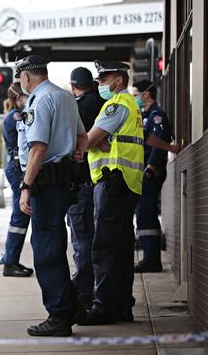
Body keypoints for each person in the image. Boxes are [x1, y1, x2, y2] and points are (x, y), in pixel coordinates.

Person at [15, 55, 88, 337]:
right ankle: (71, 306)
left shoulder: (41, 100)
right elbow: (82, 136)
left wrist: (25, 187)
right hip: (63, 182)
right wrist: (77, 156)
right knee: (55, 244)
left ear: (25, 76)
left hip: (45, 185)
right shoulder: (65, 96)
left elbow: (37, 149)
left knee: (46, 251)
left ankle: (58, 315)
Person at [81, 61, 144, 325]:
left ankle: (104, 306)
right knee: (120, 248)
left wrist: (82, 137)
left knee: (105, 248)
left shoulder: (115, 105)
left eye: (104, 79)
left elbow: (86, 142)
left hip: (112, 183)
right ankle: (121, 305)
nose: (100, 84)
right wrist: (99, 139)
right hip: (127, 184)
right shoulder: (133, 106)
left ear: (118, 80)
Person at [67, 67, 106, 310]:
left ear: (73, 86)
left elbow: (74, 143)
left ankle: (83, 292)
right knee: (97, 239)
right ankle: (100, 290)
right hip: (100, 180)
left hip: (82, 181)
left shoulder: (77, 108)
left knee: (82, 240)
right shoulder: (105, 104)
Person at [132, 80, 174, 273]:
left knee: (146, 213)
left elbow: (160, 143)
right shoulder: (143, 116)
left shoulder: (157, 116)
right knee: (143, 213)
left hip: (151, 172)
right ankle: (150, 257)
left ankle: (152, 259)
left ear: (145, 95)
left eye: (135, 95)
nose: (134, 99)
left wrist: (149, 168)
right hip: (144, 171)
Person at [1, 82, 34, 277]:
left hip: (17, 166)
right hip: (17, 167)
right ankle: (10, 262)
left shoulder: (16, 115)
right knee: (21, 213)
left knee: (22, 213)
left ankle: (12, 261)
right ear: (17, 98)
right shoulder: (15, 116)